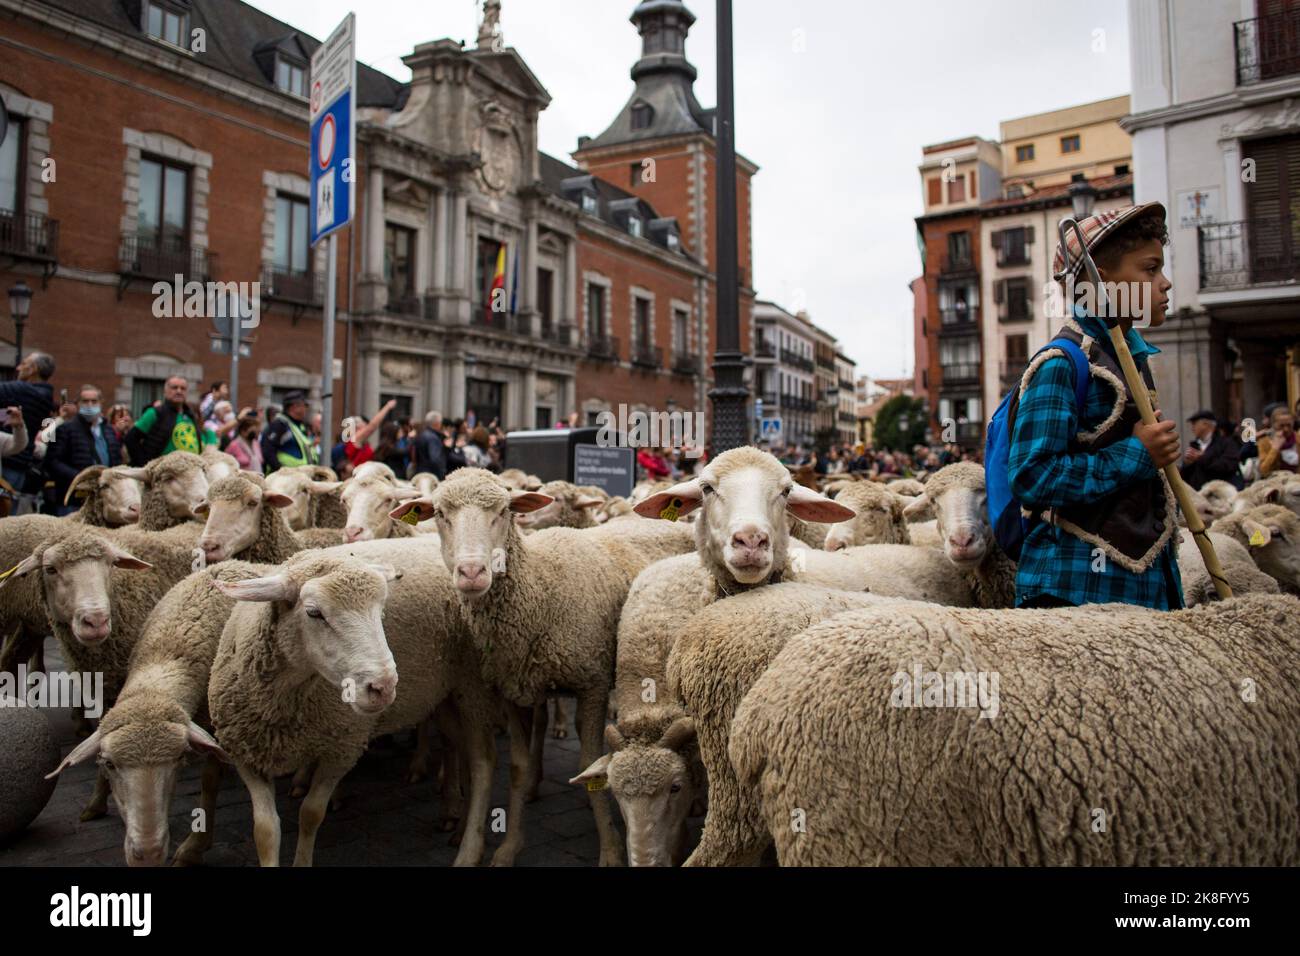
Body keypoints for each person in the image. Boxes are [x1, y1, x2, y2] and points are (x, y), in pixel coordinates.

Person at [1008, 201, 1182, 610]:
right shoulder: (1062, 364)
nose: (1166, 283)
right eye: (1150, 269)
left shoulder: (1131, 360)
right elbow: (1032, 477)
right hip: (1075, 592)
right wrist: (1138, 454)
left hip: (1142, 587)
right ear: (1102, 283)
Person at [48, 385, 122, 515]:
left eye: (94, 401)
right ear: (77, 404)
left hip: (103, 498)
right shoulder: (65, 429)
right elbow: (52, 462)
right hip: (73, 500)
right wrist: (80, 477)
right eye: (85, 401)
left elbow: (116, 460)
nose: (90, 405)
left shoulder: (108, 430)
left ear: (101, 403)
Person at [123, 376, 213, 465]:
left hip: (192, 470)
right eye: (174, 388)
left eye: (183, 388)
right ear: (165, 392)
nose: (179, 391)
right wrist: (144, 464)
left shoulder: (191, 416)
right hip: (164, 473)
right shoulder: (155, 413)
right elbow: (131, 438)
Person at [0, 351, 56, 493]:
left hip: (8, 462)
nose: (18, 368)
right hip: (21, 462)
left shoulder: (23, 390)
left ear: (34, 369)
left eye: (24, 364)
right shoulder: (46, 396)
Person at [1179, 409, 1241, 490]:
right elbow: (1185, 476)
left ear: (1206, 424)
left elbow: (1229, 466)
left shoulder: (1226, 443)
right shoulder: (1194, 445)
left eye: (1194, 424)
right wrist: (1187, 464)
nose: (1192, 428)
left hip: (1219, 493)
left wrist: (1202, 458)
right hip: (1197, 494)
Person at [260, 390, 318, 472]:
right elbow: (268, 450)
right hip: (283, 479)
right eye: (304, 405)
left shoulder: (299, 426)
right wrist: (281, 471)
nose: (306, 408)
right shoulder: (280, 424)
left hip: (299, 477)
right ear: (293, 407)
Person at [1258, 407, 1298, 476]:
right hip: (1275, 481)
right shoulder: (1264, 442)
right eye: (1281, 426)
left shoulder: (1298, 438)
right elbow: (1263, 471)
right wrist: (1275, 449)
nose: (1286, 429)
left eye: (1289, 425)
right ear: (1273, 425)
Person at [414, 411, 448, 479]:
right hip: (431, 475)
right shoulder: (433, 438)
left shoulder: (422, 434)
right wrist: (442, 472)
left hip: (421, 471)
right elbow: (435, 459)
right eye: (440, 423)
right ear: (437, 423)